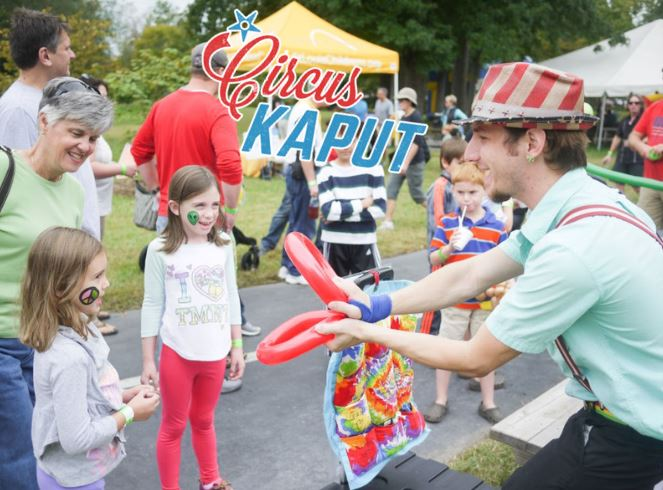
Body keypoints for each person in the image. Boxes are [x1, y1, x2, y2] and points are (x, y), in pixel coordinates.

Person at [318, 62, 663, 490]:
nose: (471, 154)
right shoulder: (581, 203)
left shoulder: (575, 245)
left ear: (532, 142)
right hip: (625, 412)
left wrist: (367, 331)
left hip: (637, 431)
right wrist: (376, 304)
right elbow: (473, 274)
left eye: (483, 137)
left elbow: (475, 358)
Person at [0, 77, 112, 490]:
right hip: (1, 344)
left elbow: (66, 275)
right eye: (77, 132)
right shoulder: (4, 168)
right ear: (45, 122)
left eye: (93, 137)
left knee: (53, 450)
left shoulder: (72, 192)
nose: (86, 146)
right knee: (16, 457)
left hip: (46, 342)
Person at [20, 227, 160, 490]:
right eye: (97, 276)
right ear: (62, 288)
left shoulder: (78, 327)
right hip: (71, 482)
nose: (106, 283)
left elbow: (80, 395)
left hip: (79, 475)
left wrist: (122, 395)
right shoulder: (68, 358)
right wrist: (128, 414)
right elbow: (76, 438)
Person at [140, 166, 245, 490]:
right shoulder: (160, 251)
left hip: (215, 355)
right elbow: (152, 305)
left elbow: (231, 294)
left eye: (215, 205)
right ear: (175, 208)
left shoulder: (224, 244)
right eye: (199, 206)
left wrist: (237, 347)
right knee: (173, 426)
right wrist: (148, 360)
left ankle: (210, 480)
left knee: (203, 420)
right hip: (178, 355)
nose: (210, 213)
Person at [424, 163, 507, 424]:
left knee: (486, 353)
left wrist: (505, 287)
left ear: (484, 191)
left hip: (484, 302)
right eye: (460, 193)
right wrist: (449, 248)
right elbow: (433, 256)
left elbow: (505, 262)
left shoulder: (496, 226)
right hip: (455, 301)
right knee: (446, 349)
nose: (466, 198)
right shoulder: (448, 223)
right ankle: (440, 399)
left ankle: (488, 401)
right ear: (453, 191)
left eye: (472, 192)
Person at [131, 43, 242, 235]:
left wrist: (156, 189)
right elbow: (230, 165)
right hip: (206, 216)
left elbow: (139, 150)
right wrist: (231, 210)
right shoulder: (218, 112)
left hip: (169, 212)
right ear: (221, 71)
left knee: (171, 265)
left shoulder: (161, 106)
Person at [81, 74, 136, 334]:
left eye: (105, 98)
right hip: (87, 202)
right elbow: (89, 168)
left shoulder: (97, 130)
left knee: (95, 258)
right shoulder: (85, 130)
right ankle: (90, 319)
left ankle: (93, 309)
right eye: (98, 97)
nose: (103, 102)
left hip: (100, 202)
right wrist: (123, 168)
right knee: (88, 263)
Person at [0, 8, 75, 149]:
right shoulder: (18, 110)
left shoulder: (46, 98)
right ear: (45, 56)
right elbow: (19, 169)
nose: (72, 55)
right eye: (67, 48)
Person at [317, 126, 387, 276]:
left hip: (364, 240)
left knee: (369, 292)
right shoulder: (326, 172)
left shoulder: (374, 169)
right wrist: (361, 204)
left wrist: (340, 214)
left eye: (351, 140)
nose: (346, 146)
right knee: (336, 292)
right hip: (334, 241)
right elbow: (328, 211)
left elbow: (380, 209)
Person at [279, 97, 325, 285]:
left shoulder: (302, 107)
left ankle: (286, 264)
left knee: (296, 221)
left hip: (297, 172)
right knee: (304, 225)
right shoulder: (308, 111)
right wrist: (312, 182)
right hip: (303, 174)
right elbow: (305, 151)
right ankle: (295, 270)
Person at [380, 87, 428, 231]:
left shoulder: (415, 117)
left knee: (417, 195)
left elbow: (415, 144)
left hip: (413, 162)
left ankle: (440, 216)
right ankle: (388, 221)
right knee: (391, 189)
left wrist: (405, 164)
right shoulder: (404, 116)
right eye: (399, 99)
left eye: (402, 100)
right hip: (401, 159)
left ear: (410, 101)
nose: (399, 102)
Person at [628, 96, 663, 231]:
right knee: (646, 231)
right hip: (650, 184)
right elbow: (633, 137)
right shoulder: (655, 107)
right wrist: (644, 149)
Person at [602, 94, 645, 193]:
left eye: (636, 103)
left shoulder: (644, 120)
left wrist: (636, 143)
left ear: (640, 105)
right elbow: (617, 137)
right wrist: (609, 154)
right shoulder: (624, 120)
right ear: (628, 106)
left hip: (637, 160)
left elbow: (649, 137)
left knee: (638, 188)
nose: (633, 105)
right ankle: (621, 208)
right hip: (622, 158)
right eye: (631, 103)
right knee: (618, 189)